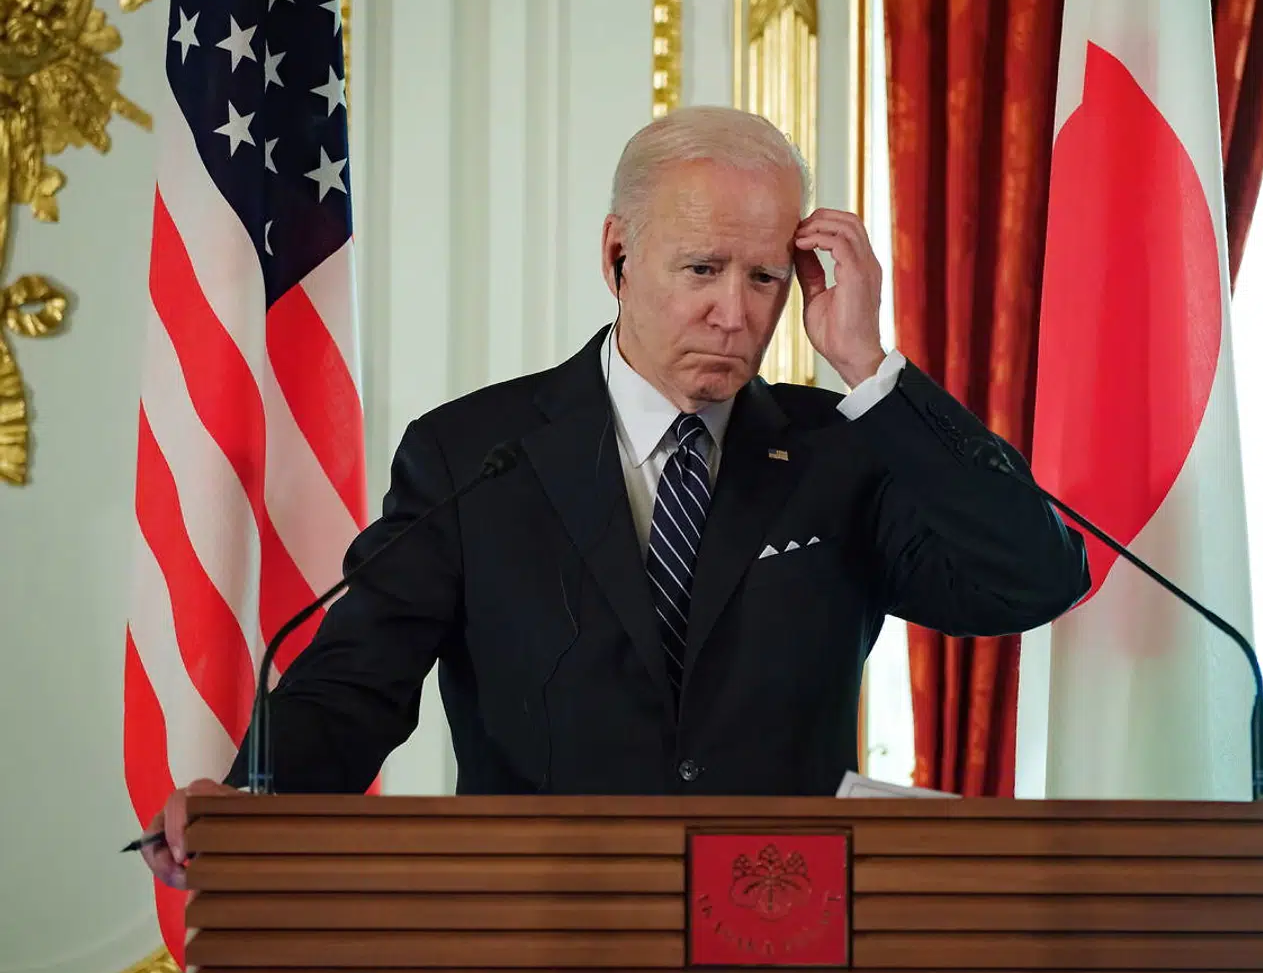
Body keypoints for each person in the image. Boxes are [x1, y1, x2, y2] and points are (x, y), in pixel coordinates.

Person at [142, 105, 1088, 889]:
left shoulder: (841, 448)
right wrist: (252, 807)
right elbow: (355, 688)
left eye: (765, 277)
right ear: (618, 256)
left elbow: (1033, 580)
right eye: (703, 269)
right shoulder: (471, 456)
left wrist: (871, 369)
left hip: (779, 934)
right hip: (543, 935)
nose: (737, 313)